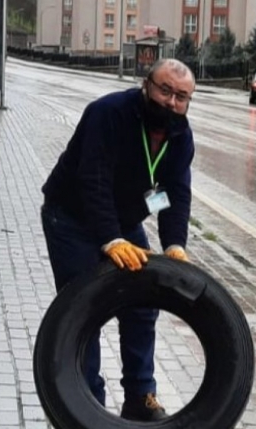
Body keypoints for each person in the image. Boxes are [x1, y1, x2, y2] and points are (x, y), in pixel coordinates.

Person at [40, 58, 196, 421]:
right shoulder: (108, 113)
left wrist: (174, 245)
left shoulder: (181, 136)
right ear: (146, 85)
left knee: (143, 302)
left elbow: (176, 193)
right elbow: (93, 179)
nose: (171, 102)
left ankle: (140, 398)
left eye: (182, 97)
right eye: (165, 90)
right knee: (87, 307)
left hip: (123, 222)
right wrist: (110, 240)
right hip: (71, 217)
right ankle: (85, 403)